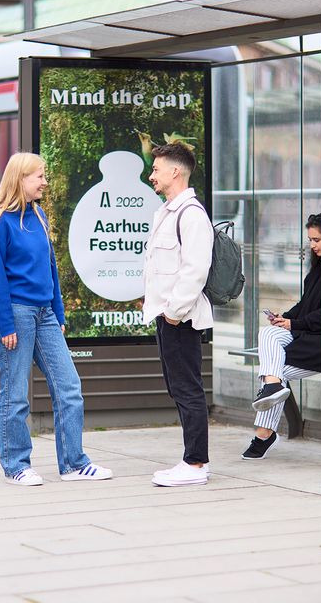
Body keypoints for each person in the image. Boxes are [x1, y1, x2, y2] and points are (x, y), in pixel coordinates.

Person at [0, 152, 112, 486]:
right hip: (16, 315)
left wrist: (59, 312)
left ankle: (74, 464)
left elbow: (50, 268)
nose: (44, 181)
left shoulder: (38, 216)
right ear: (20, 179)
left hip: (45, 314)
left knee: (69, 387)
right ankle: (15, 465)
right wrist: (5, 324)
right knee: (15, 394)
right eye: (38, 176)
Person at [244, 212, 321, 459]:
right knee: (270, 337)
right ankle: (271, 392)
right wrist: (285, 318)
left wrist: (295, 323)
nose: (312, 245)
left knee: (275, 369)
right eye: (310, 240)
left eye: (316, 239)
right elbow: (306, 304)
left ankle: (263, 435)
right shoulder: (320, 268)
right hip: (312, 336)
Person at [142, 142, 214, 487]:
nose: (151, 175)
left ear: (175, 171)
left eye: (156, 169)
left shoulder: (192, 214)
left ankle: (196, 464)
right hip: (167, 315)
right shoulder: (168, 211)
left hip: (180, 318)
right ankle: (191, 460)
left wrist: (173, 313)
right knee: (178, 387)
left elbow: (195, 270)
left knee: (187, 388)